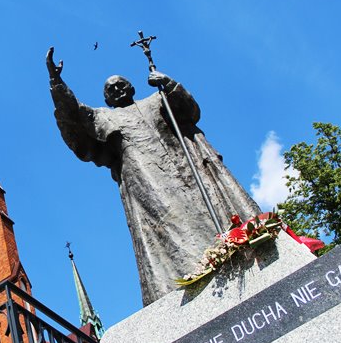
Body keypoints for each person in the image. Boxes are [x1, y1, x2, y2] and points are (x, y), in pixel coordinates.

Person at [47, 47, 261, 305]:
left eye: (121, 84)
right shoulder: (103, 117)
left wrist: (168, 84)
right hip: (146, 182)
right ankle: (188, 278)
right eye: (110, 90)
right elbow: (73, 116)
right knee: (169, 228)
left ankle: (232, 249)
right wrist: (56, 82)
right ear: (106, 100)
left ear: (132, 87)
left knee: (206, 207)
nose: (117, 90)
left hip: (188, 169)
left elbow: (190, 112)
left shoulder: (157, 101)